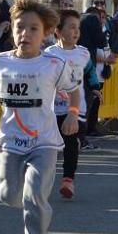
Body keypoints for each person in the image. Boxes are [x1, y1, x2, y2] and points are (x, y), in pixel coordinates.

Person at [0, 0, 80, 234]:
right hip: (11, 141)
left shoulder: (53, 64)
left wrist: (72, 113)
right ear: (12, 30)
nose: (25, 33)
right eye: (19, 27)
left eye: (33, 28)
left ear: (46, 33)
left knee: (35, 194)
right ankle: (28, 203)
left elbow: (74, 89)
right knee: (8, 195)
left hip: (44, 141)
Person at [44, 10, 91, 200]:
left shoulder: (84, 53)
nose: (76, 31)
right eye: (71, 27)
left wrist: (95, 86)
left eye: (77, 28)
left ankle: (68, 180)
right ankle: (41, 179)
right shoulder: (48, 54)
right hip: (52, 108)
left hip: (74, 108)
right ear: (58, 30)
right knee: (49, 147)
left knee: (70, 143)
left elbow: (90, 73)